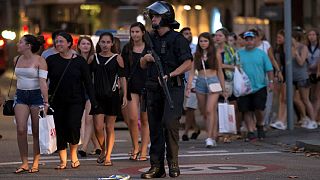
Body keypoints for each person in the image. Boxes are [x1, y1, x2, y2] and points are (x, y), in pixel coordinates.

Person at [140, 1, 193, 178]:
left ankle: (173, 163)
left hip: (173, 87)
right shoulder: (149, 37)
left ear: (166, 17)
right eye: (152, 16)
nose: (153, 19)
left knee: (169, 124)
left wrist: (170, 74)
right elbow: (140, 64)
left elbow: (188, 63)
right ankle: (156, 167)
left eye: (156, 16)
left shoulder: (178, 39)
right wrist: (146, 58)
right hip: (153, 89)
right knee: (154, 128)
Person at [46, 32, 97, 169]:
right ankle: (63, 161)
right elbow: (43, 80)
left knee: (73, 127)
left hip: (76, 100)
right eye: (56, 42)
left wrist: (93, 102)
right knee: (60, 129)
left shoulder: (79, 61)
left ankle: (73, 155)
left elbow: (88, 83)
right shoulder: (51, 60)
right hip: (57, 101)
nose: (58, 44)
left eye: (61, 41)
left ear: (69, 44)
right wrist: (45, 100)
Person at [88, 32, 127, 166]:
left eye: (108, 42)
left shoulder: (117, 58)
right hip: (97, 97)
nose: (105, 45)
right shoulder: (93, 58)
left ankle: (108, 156)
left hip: (112, 96)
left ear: (112, 43)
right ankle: (103, 150)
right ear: (99, 43)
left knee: (109, 127)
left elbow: (122, 78)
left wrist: (125, 95)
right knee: (98, 127)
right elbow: (87, 78)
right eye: (103, 42)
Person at [13, 34, 48, 173]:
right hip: (21, 95)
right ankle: (24, 162)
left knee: (36, 131)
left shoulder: (40, 60)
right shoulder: (16, 59)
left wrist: (45, 101)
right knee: (21, 129)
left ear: (29, 46)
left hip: (36, 96)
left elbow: (43, 82)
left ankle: (36, 162)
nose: (17, 44)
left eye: (20, 42)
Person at [188, 32, 226, 147]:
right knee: (205, 112)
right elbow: (191, 71)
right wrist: (189, 86)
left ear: (210, 42)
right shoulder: (196, 55)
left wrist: (223, 89)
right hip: (200, 82)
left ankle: (209, 137)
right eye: (201, 41)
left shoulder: (216, 54)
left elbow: (220, 71)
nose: (203, 43)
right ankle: (213, 134)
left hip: (213, 82)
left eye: (205, 41)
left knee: (210, 110)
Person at [237, 31, 274, 141]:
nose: (249, 41)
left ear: (255, 40)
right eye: (247, 39)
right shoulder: (238, 53)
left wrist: (271, 81)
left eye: (251, 39)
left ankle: (260, 125)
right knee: (246, 110)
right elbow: (234, 68)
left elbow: (269, 69)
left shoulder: (261, 53)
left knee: (259, 108)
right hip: (244, 87)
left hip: (259, 86)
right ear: (244, 41)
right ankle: (251, 131)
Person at [122, 22, 150, 161]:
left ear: (143, 33)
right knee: (132, 119)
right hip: (132, 86)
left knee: (145, 119)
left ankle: (144, 150)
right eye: (132, 32)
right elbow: (124, 72)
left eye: (137, 32)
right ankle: (135, 147)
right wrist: (124, 91)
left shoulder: (150, 48)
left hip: (147, 87)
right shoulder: (127, 49)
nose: (134, 34)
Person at [76, 36, 101, 157]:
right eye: (83, 44)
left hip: (92, 92)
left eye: (88, 44)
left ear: (91, 46)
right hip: (78, 92)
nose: (86, 46)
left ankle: (84, 147)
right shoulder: (74, 59)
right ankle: (97, 146)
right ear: (79, 46)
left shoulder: (94, 59)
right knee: (82, 121)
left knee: (88, 119)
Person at [180, 27, 200, 141]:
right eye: (186, 33)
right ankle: (196, 128)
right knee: (187, 107)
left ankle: (186, 132)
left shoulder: (195, 49)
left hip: (193, 80)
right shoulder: (178, 48)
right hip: (182, 81)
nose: (189, 35)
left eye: (189, 33)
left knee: (190, 107)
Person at [306, 29, 320, 125]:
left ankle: (314, 117)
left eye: (313, 34)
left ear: (317, 36)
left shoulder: (319, 48)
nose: (311, 36)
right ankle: (313, 117)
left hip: (318, 72)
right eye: (310, 35)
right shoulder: (306, 47)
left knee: (317, 96)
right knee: (311, 96)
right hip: (309, 73)